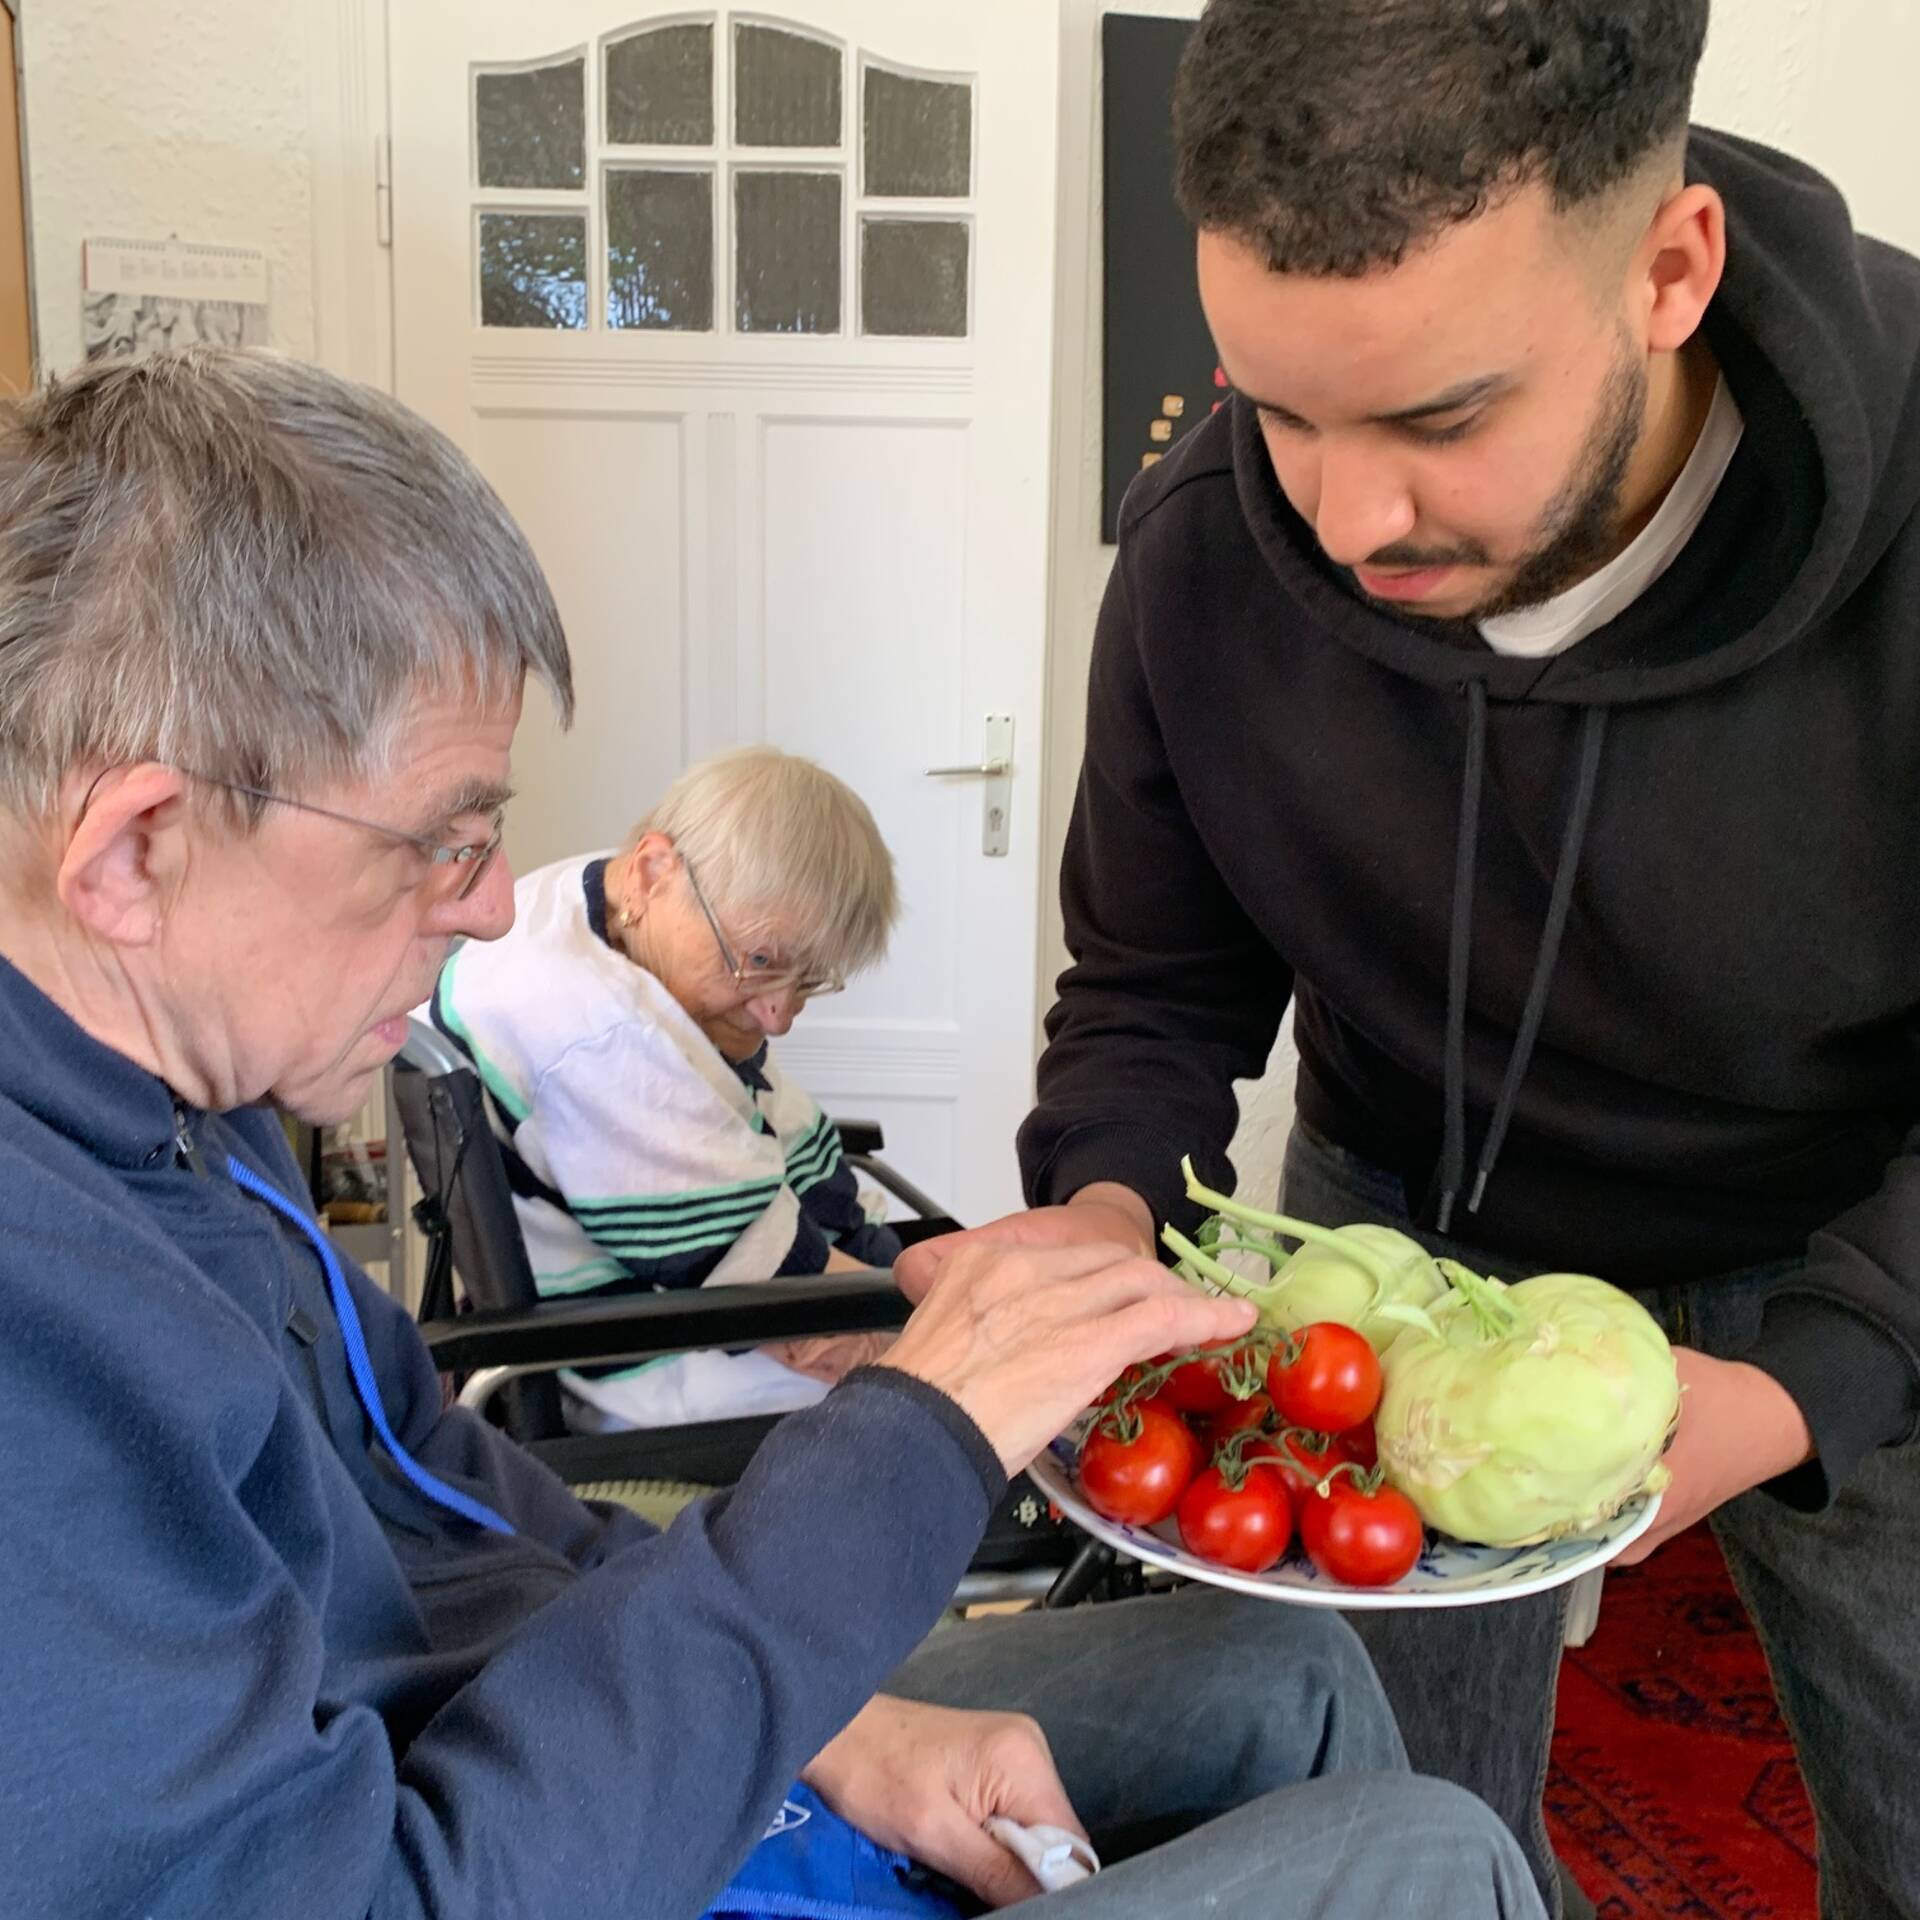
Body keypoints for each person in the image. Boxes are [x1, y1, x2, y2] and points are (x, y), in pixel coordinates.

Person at [0, 348, 1543, 1920]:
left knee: (1283, 1662)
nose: (483, 902)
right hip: (527, 1848)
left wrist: (839, 1725)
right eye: (447, 838)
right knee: (1438, 1858)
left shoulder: (198, 1121)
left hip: (551, 1757)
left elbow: (446, 1484)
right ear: (137, 852)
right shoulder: (37, 1340)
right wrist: (917, 1440)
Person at [901, 4, 1920, 1917]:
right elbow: (1150, 985)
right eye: (1276, 405)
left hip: (1864, 1231)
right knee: (1392, 1826)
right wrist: (1106, 1211)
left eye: (1441, 418)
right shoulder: (1208, 551)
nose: (1344, 520)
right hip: (1407, 1222)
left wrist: (1816, 1382)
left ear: (1671, 269)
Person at [426, 747, 904, 1428]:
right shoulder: (605, 1041)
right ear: (654, 870)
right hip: (642, 1361)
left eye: (806, 981)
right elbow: (787, 1298)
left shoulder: (583, 897)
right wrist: (941, 1329)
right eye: (761, 961)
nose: (779, 1016)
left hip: (633, 1288)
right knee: (962, 1396)